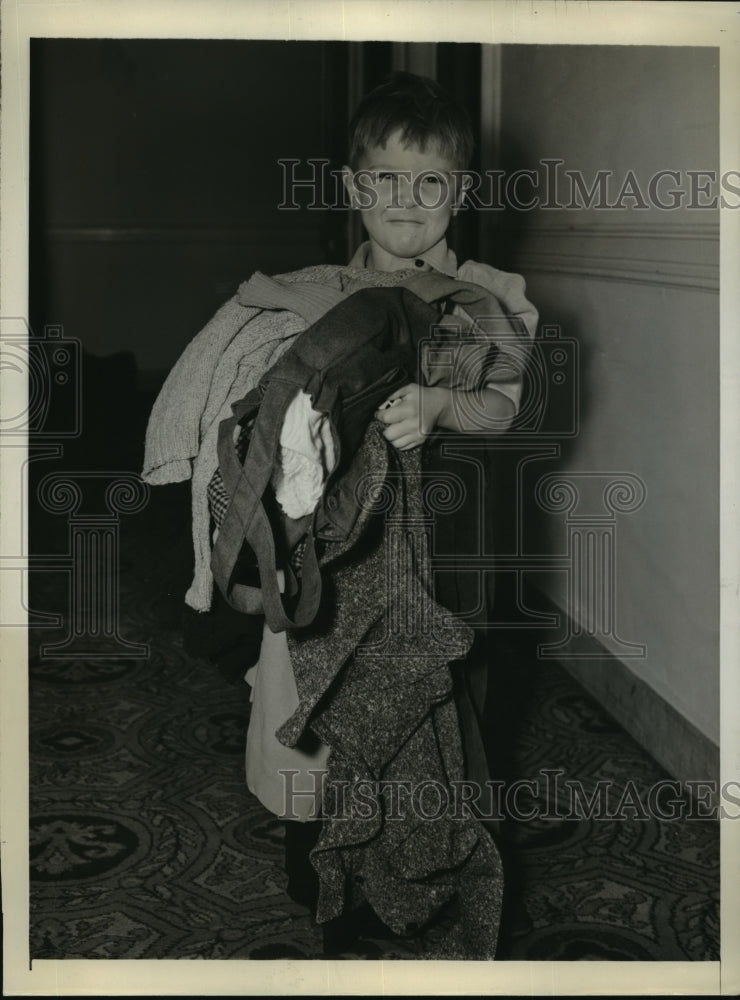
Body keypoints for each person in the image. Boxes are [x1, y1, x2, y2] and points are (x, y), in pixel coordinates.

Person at [143, 70, 537, 958]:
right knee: (306, 689)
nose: (406, 201)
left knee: (426, 699)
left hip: (431, 550)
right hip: (322, 548)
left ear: (461, 193)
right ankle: (316, 853)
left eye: (430, 182)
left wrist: (439, 406)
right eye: (386, 180)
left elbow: (507, 405)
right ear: (356, 188)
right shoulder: (314, 292)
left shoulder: (486, 294)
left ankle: (423, 853)